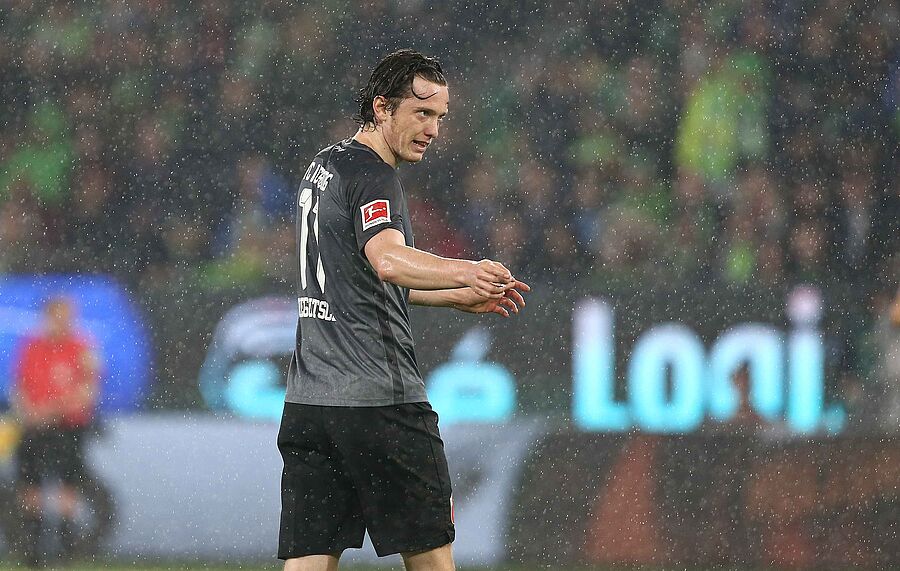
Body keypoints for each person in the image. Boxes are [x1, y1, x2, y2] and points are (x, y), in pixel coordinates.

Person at [277, 49, 530, 571]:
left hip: (311, 408)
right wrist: (465, 271)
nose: (433, 129)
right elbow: (388, 260)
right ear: (382, 108)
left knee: (307, 564)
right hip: (381, 405)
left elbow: (355, 283)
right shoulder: (375, 177)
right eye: (421, 113)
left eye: (440, 116)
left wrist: (450, 296)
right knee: (432, 560)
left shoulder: (325, 165)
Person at [12, 296, 100, 567]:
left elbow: (87, 392)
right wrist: (30, 412)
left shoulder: (82, 348)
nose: (61, 322)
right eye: (56, 316)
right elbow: (19, 387)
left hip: (68, 428)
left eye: (66, 316)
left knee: (68, 486)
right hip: (35, 428)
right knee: (30, 486)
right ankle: (32, 550)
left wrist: (51, 411)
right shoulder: (32, 347)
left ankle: (64, 550)